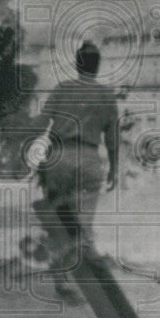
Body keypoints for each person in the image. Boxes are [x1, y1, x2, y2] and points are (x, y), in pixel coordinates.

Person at [31, 41, 119, 304]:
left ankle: (63, 281)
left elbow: (41, 123)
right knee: (83, 224)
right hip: (90, 158)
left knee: (59, 221)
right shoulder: (106, 95)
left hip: (59, 157)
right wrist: (115, 167)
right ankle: (92, 286)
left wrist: (33, 155)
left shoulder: (62, 89)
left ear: (77, 64)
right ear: (98, 65)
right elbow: (113, 137)